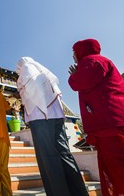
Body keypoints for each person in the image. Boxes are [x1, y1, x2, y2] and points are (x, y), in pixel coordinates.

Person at [16, 57, 88, 196]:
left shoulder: (27, 69)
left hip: (41, 117)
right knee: (64, 153)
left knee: (48, 158)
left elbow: (33, 89)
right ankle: (79, 191)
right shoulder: (43, 71)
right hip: (56, 116)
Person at [68, 38, 124, 196]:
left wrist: (74, 75)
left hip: (110, 124)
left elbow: (77, 83)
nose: (74, 56)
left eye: (75, 52)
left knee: (120, 169)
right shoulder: (95, 62)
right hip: (111, 122)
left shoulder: (92, 61)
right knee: (115, 168)